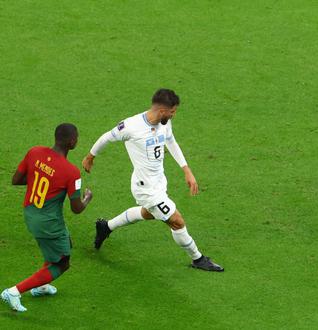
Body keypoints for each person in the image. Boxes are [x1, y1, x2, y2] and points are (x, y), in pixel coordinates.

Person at [81, 88, 223, 271]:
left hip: (159, 182)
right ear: (163, 111)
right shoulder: (131, 126)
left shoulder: (164, 123)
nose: (174, 115)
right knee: (177, 221)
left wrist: (186, 170)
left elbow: (170, 141)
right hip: (145, 188)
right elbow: (107, 137)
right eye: (173, 112)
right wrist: (90, 156)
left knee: (148, 213)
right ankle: (198, 258)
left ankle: (106, 227)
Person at [2, 124, 93, 312]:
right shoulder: (72, 172)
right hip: (48, 223)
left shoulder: (34, 152)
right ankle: (14, 292)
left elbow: (16, 180)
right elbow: (76, 209)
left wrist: (40, 177)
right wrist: (87, 199)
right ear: (71, 142)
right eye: (76, 138)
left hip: (30, 213)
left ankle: (41, 286)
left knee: (65, 243)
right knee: (62, 262)